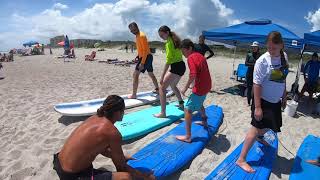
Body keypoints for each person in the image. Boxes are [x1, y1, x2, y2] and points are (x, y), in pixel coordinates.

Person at [53, 95, 154, 180]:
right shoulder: (112, 132)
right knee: (126, 177)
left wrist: (122, 157)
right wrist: (143, 176)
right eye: (123, 110)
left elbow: (101, 149)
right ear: (118, 112)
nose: (124, 112)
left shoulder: (94, 117)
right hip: (72, 176)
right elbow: (121, 167)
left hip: (59, 163)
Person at [236, 31, 289, 173]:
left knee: (270, 126)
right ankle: (241, 159)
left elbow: (282, 79)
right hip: (262, 102)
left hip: (275, 101)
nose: (271, 51)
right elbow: (257, 85)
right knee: (255, 128)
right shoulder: (262, 61)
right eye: (269, 47)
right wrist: (257, 107)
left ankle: (260, 138)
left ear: (281, 46)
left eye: (274, 48)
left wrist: (284, 96)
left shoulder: (284, 57)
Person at [175, 39, 212, 143]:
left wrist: (186, 87)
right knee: (200, 103)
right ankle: (204, 122)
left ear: (190, 48)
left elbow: (193, 74)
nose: (183, 54)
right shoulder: (200, 55)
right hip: (207, 85)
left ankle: (188, 136)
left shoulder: (191, 57)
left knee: (188, 109)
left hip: (201, 87)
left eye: (183, 51)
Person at [154, 25, 186, 118]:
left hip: (176, 67)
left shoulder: (168, 43)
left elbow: (168, 62)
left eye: (162, 35)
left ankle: (163, 113)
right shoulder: (175, 40)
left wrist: (162, 76)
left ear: (167, 33)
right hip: (181, 66)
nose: (161, 37)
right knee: (173, 85)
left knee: (162, 88)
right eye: (160, 36)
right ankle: (181, 103)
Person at [128, 22, 159, 99]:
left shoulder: (142, 36)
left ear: (137, 27)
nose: (133, 32)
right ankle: (158, 89)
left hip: (146, 58)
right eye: (131, 31)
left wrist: (142, 62)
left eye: (134, 30)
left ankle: (134, 95)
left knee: (135, 75)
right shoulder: (137, 36)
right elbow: (141, 49)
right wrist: (138, 56)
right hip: (147, 57)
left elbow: (145, 50)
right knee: (151, 74)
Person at [245, 41, 261, 105]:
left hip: (257, 74)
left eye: (255, 47)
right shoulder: (249, 54)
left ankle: (254, 101)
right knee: (249, 88)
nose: (254, 48)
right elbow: (246, 63)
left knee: (256, 88)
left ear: (258, 47)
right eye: (253, 47)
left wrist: (253, 64)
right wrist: (255, 64)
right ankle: (248, 101)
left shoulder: (260, 55)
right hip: (249, 73)